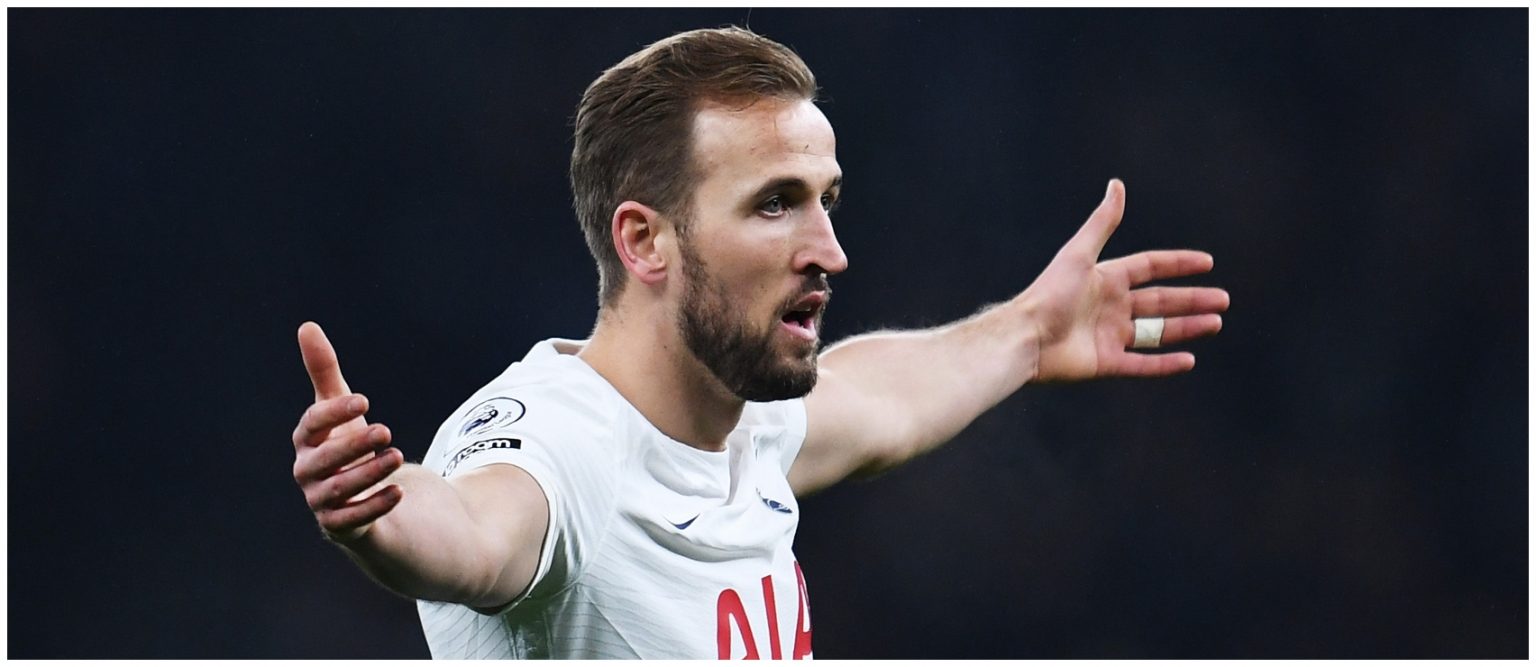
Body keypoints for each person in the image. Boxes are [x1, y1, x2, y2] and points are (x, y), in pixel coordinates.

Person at [289, 26, 1229, 659]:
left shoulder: (739, 419)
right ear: (644, 241)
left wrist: (1027, 330)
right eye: (776, 204)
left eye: (826, 199)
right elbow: (474, 529)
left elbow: (882, 400)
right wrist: (381, 517)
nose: (830, 250)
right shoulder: (561, 445)